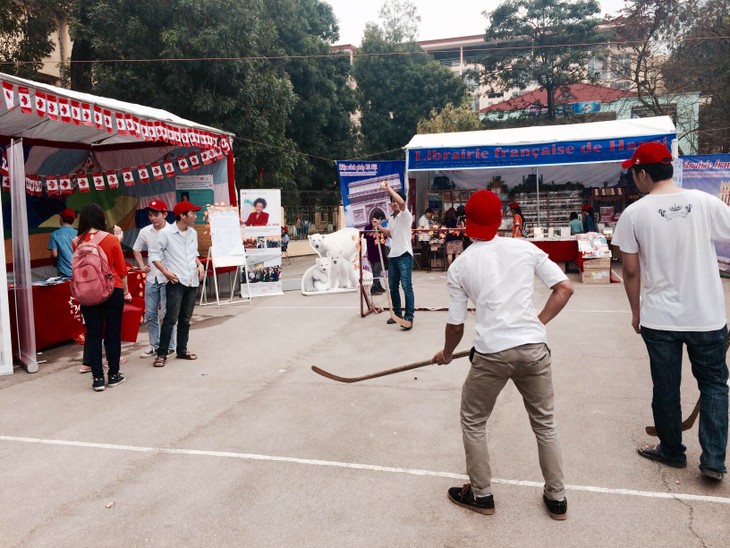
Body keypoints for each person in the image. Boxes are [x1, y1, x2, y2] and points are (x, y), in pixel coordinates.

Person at [433, 189, 574, 519]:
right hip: (534, 349)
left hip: (491, 354)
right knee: (545, 424)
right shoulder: (524, 248)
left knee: (473, 420)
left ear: (467, 224)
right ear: (502, 220)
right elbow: (565, 288)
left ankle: (482, 496)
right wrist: (535, 324)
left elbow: (455, 326)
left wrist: (446, 353)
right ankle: (557, 499)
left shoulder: (461, 266)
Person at [612, 142, 729, 481]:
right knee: (714, 385)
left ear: (643, 173)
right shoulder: (705, 203)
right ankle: (713, 460)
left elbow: (631, 272)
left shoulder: (634, 214)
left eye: (633, 172)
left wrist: (636, 312)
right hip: (706, 315)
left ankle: (672, 450)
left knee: (665, 385)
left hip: (660, 318)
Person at [73, 203, 133, 391]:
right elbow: (122, 270)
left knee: (93, 334)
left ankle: (97, 379)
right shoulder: (111, 239)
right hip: (111, 289)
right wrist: (126, 291)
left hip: (87, 292)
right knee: (113, 333)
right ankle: (113, 375)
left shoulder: (76, 241)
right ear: (101, 219)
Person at [150, 200, 206, 367]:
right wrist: (165, 272)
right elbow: (154, 256)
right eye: (192, 213)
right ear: (182, 216)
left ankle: (182, 349)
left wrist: (200, 264)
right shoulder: (166, 233)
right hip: (176, 281)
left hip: (191, 281)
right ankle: (162, 354)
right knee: (170, 319)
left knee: (186, 318)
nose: (195, 216)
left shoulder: (193, 233)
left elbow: (192, 254)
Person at [132, 199, 176, 358]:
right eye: (150, 215)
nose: (153, 218)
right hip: (151, 278)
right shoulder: (145, 231)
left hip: (168, 278)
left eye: (156, 214)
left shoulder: (173, 231)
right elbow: (136, 249)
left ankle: (170, 345)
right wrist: (141, 265)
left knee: (166, 314)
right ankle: (154, 345)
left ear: (164, 214)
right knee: (150, 314)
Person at [377, 182, 414, 329]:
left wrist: (388, 189)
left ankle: (409, 317)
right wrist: (379, 226)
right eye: (391, 202)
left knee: (406, 286)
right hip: (393, 256)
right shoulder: (391, 219)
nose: (394, 204)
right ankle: (397, 314)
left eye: (395, 201)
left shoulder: (406, 215)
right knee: (393, 287)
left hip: (405, 254)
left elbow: (402, 202)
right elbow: (390, 234)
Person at [48, 208, 77, 278]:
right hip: (78, 271)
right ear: (73, 220)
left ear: (61, 218)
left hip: (64, 272)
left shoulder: (54, 234)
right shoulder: (79, 233)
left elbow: (54, 255)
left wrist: (55, 263)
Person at [364, 210, 388, 295]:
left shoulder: (381, 228)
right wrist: (374, 228)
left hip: (379, 253)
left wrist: (379, 228)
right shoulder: (367, 227)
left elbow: (384, 239)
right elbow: (366, 237)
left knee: (376, 271)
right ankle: (373, 288)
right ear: (380, 219)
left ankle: (378, 286)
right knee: (376, 272)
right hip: (374, 254)